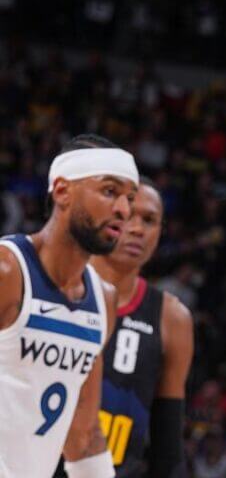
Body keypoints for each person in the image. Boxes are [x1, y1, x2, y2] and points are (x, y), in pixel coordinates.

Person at [0, 134, 138, 478]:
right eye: (110, 191)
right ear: (62, 191)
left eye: (130, 198)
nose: (124, 210)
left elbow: (83, 435)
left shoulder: (103, 301)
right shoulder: (8, 270)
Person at [89, 179, 193, 477]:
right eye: (127, 215)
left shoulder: (171, 318)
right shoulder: (49, 290)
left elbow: (167, 447)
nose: (137, 229)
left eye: (149, 220)